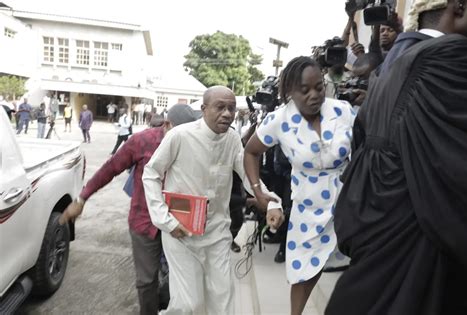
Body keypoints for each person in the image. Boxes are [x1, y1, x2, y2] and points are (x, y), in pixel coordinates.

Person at [326, 1, 467, 314]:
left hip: (379, 230)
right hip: (420, 244)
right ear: (458, 7)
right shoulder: (449, 59)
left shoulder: (390, 67)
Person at [142, 86, 283, 315]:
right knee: (188, 305)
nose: (227, 114)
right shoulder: (180, 136)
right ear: (204, 109)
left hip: (217, 233)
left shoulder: (233, 140)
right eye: (220, 107)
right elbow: (151, 174)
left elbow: (248, 176)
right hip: (180, 233)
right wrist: (164, 219)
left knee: (222, 301)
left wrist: (272, 202)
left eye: (231, 108)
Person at [59, 105, 200, 315]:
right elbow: (110, 169)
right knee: (146, 281)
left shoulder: (193, 145)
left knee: (183, 279)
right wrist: (82, 198)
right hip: (145, 223)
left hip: (178, 224)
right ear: (167, 125)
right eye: (181, 133)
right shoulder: (141, 141)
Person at [244, 56, 355, 315]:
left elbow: (364, 149)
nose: (314, 95)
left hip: (348, 203)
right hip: (308, 209)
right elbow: (250, 152)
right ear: (289, 92)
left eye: (319, 87)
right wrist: (259, 192)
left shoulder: (343, 111)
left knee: (359, 269)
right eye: (304, 91)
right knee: (304, 272)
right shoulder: (279, 120)